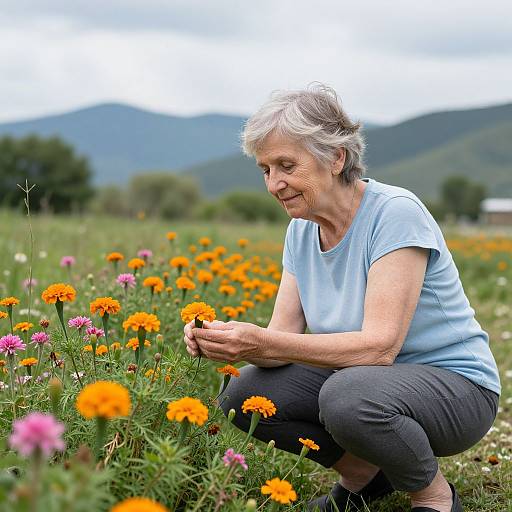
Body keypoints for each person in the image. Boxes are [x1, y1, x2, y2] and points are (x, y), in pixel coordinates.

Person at [183, 84, 500, 512]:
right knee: (245, 392)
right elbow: (278, 344)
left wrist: (262, 343)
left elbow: (380, 347)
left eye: (286, 166)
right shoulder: (301, 230)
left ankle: (435, 497)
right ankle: (365, 478)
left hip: (456, 392)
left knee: (347, 396)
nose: (275, 183)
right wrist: (227, 341)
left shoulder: (394, 213)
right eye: (265, 169)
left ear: (336, 158)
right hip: (367, 384)